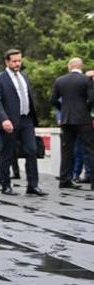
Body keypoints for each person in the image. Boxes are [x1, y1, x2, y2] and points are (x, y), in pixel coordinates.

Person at [0, 49, 46, 196]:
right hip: (9, 121)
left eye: (19, 61)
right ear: (7, 62)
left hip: (26, 119)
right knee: (7, 154)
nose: (17, 64)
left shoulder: (24, 76)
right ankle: (5, 185)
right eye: (14, 61)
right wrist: (3, 119)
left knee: (32, 150)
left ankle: (33, 185)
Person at [51, 57, 94, 190]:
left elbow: (53, 99)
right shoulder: (86, 80)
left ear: (69, 66)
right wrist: (85, 110)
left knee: (66, 150)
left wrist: (63, 109)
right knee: (89, 149)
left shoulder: (60, 80)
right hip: (83, 119)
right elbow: (92, 98)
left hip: (66, 119)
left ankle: (64, 179)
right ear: (81, 67)